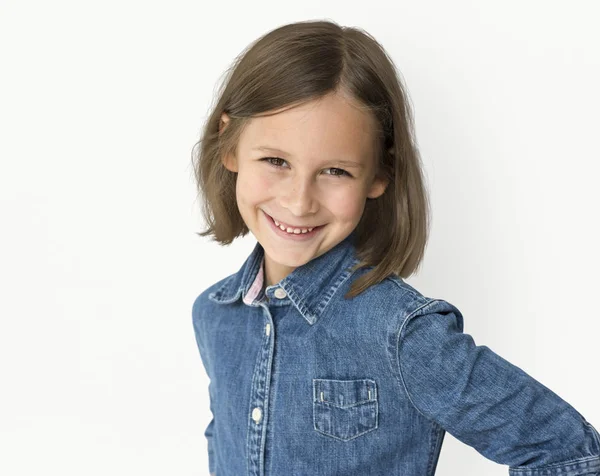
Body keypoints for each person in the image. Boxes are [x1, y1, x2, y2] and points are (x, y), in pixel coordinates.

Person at [190, 20, 600, 476]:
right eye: (275, 161)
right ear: (229, 147)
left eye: (335, 172)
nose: (298, 201)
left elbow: (569, 451)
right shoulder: (214, 315)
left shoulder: (400, 333)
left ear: (379, 175)